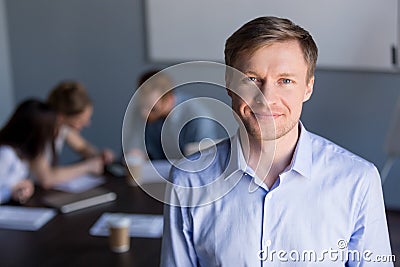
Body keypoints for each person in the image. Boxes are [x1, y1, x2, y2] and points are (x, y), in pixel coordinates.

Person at [161, 17, 393, 266]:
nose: (266, 97)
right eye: (251, 79)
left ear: (308, 88)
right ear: (229, 84)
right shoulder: (188, 179)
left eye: (285, 81)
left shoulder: (358, 180)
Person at [126, 70, 220, 160]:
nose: (144, 114)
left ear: (169, 99)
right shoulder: (143, 108)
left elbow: (203, 161)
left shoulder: (199, 118)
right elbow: (134, 150)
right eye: (142, 106)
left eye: (153, 109)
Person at [47, 81, 114, 163]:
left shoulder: (62, 127)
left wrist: (100, 156)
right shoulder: (39, 131)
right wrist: (87, 167)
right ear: (61, 117)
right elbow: (48, 175)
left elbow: (82, 147)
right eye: (81, 121)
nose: (88, 124)